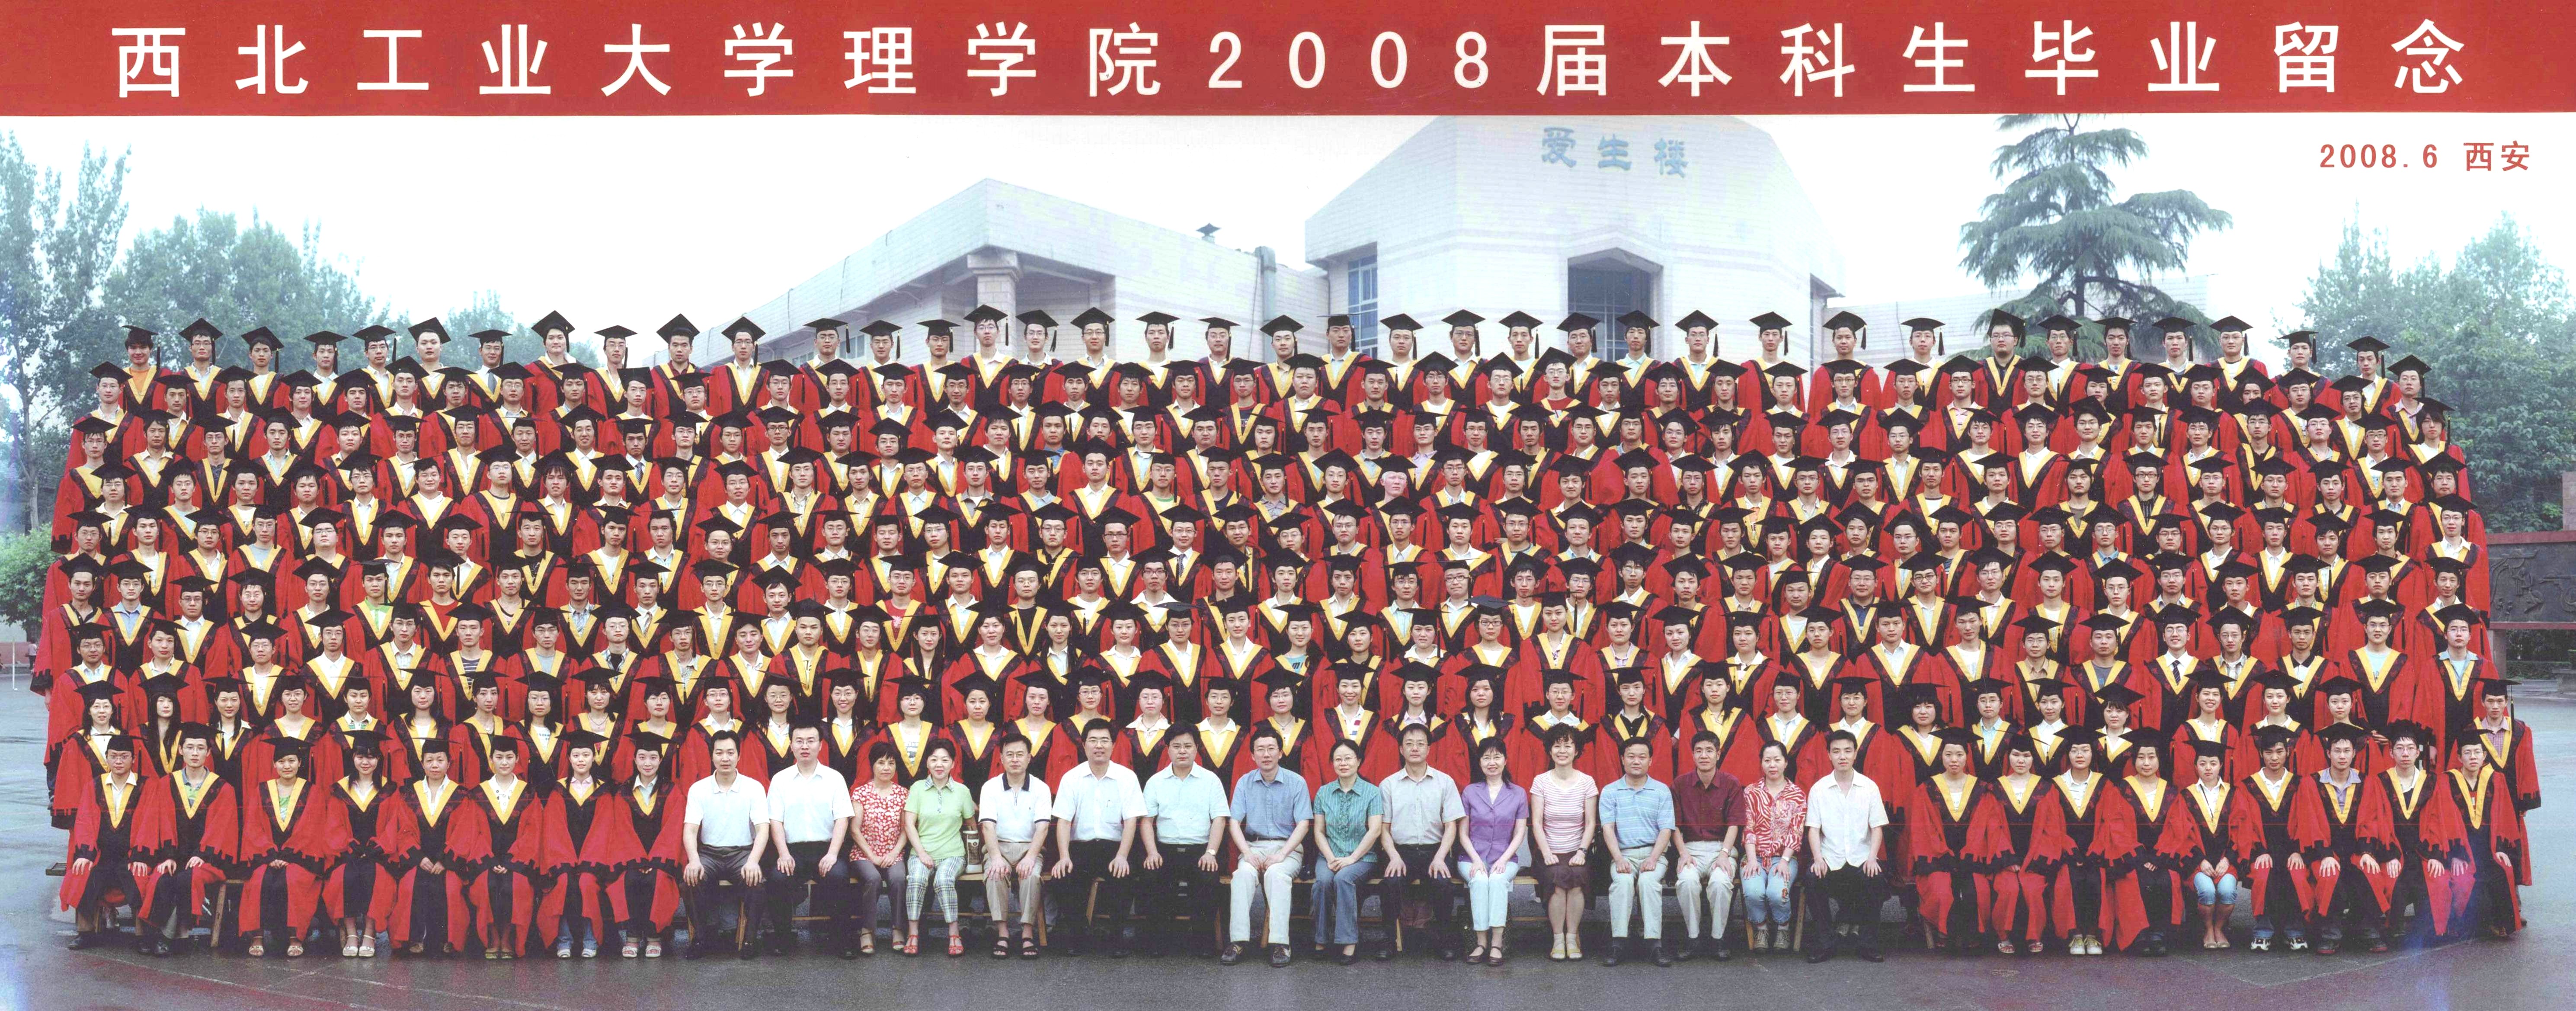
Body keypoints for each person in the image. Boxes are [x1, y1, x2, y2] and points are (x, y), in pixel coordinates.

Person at [1051, 721, 1147, 956]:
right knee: (1062, 877)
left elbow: (1131, 821)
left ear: (1113, 745)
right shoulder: (1071, 778)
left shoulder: (1127, 777)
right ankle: (1079, 934)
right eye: (1093, 741)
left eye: (1105, 741)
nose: (1099, 746)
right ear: (1084, 745)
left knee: (1123, 875)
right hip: (1080, 847)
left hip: (1115, 847)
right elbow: (1064, 821)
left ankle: (1116, 937)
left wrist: (1122, 856)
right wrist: (1064, 856)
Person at [1375, 721, 1465, 961]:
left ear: (1429, 749)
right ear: (1401, 750)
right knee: (1390, 884)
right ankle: (1389, 941)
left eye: (1420, 744)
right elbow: (1384, 829)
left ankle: (1444, 940)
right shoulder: (1388, 785)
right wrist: (1394, 856)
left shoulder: (1445, 782)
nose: (1415, 748)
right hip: (1401, 852)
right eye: (1409, 744)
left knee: (1443, 884)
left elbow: (1451, 826)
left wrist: (1440, 857)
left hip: (1435, 851)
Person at [1222, 726, 1311, 967]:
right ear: (1253, 755)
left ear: (1280, 753)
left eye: (1272, 748)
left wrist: (1282, 854)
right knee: (1242, 876)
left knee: (1276, 875)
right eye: (1260, 749)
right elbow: (1234, 823)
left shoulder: (1297, 782)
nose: (1266, 754)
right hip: (1254, 846)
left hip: (1287, 848)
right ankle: (1238, 942)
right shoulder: (1245, 783)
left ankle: (1281, 944)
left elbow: (1304, 824)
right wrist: (1247, 853)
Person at [764, 722, 854, 956]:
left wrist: (833, 854)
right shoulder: (780, 780)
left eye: (811, 741)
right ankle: (783, 937)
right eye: (800, 741)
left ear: (820, 745)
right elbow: (775, 821)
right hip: (792, 850)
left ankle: (842, 940)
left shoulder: (834, 778)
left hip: (826, 848)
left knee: (839, 876)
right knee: (777, 878)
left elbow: (842, 819)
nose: (805, 746)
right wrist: (783, 853)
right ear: (791, 745)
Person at [1140, 728, 1230, 958]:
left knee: (1208, 879)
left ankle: (1203, 941)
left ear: (1197, 749)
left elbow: (1219, 819)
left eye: (1188, 746)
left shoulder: (1210, 780)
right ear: (1168, 749)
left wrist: (1211, 852)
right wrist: (1152, 852)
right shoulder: (1156, 782)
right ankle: (1160, 940)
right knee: (1152, 876)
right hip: (1165, 849)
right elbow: (1147, 821)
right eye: (1177, 746)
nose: (1183, 751)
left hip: (1200, 849)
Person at [681, 730, 770, 960]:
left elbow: (763, 829)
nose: (725, 758)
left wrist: (753, 861)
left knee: (757, 882)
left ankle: (750, 940)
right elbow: (690, 830)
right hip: (709, 854)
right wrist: (694, 860)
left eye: (731, 753)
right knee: (691, 880)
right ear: (711, 756)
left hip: (742, 853)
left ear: (739, 756)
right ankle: (700, 939)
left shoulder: (754, 787)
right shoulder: (699, 789)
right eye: (719, 753)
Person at [1803, 729, 1888, 963]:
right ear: (1829, 755)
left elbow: (1877, 828)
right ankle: (1826, 942)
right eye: (1836, 751)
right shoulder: (1819, 789)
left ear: (1855, 754)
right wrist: (1818, 859)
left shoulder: (1869, 787)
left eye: (1848, 751)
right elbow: (1813, 829)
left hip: (1862, 858)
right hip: (1830, 858)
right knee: (1812, 878)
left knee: (1877, 878)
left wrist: (1872, 858)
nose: (1842, 756)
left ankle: (1868, 944)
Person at [1597, 736, 1677, 966]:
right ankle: (1618, 943)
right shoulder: (1611, 791)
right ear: (1622, 759)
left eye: (1642, 757)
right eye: (1631, 756)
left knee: (1649, 882)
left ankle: (1654, 944)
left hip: (1654, 854)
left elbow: (1666, 830)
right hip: (1623, 854)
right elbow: (1608, 829)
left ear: (1651, 761)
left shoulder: (1661, 791)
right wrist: (1618, 858)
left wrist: (1654, 858)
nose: (1636, 761)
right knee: (1622, 883)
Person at [1309, 737, 1386, 963]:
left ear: (1359, 761)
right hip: (1329, 855)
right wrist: (1330, 857)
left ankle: (1348, 942)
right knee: (1323, 883)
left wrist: (1352, 858)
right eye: (1338, 759)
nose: (1343, 763)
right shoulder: (1324, 793)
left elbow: (1375, 830)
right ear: (1332, 763)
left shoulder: (1372, 792)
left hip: (1363, 857)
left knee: (1343, 879)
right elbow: (1319, 831)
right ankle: (1321, 939)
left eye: (1348, 758)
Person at [976, 732, 1053, 959]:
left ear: (1029, 758)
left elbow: (1043, 828)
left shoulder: (1041, 788)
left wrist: (1030, 857)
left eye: (1020, 754)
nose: (1015, 759)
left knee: (1032, 875)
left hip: (1030, 847)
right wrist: (996, 857)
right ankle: (1003, 933)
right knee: (995, 874)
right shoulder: (990, 787)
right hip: (998, 846)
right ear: (1001, 758)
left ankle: (1027, 933)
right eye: (1009, 755)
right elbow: (988, 826)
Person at [1671, 729, 1746, 960]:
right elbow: (1674, 826)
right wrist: (1683, 854)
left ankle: (1718, 939)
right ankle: (1693, 938)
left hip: (1721, 848)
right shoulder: (1680, 784)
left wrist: (1724, 854)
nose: (1704, 756)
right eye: (1699, 751)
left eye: (1709, 751)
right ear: (1693, 755)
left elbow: (1735, 824)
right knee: (1687, 882)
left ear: (1718, 754)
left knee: (1721, 883)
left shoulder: (1731, 784)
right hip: (1690, 849)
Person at [1528, 723, 1599, 961]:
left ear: (1577, 751)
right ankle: (1558, 938)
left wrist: (1582, 851)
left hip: (1577, 850)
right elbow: (1537, 823)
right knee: (1557, 879)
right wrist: (1547, 852)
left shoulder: (1587, 782)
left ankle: (1572, 937)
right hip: (1548, 850)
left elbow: (1591, 823)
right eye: (1557, 746)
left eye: (1568, 746)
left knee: (1577, 878)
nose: (1562, 751)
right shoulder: (1541, 782)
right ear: (1550, 750)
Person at [1455, 737, 1528, 965]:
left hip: (1505, 858)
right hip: (1471, 857)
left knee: (1497, 880)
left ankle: (1497, 943)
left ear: (1506, 760)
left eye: (1497, 757)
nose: (1492, 762)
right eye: (1486, 758)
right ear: (1480, 762)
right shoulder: (1470, 792)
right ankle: (1480, 943)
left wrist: (1504, 860)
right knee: (1479, 880)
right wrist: (1476, 860)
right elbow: (1463, 834)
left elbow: (1519, 833)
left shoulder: (1518, 793)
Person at [901, 737, 973, 956]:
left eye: (945, 760)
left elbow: (971, 825)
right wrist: (922, 853)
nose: (939, 765)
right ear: (927, 763)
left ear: (953, 764)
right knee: (916, 879)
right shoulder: (917, 789)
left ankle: (954, 934)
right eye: (934, 760)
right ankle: (913, 933)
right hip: (921, 852)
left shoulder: (962, 791)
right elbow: (909, 824)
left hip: (953, 854)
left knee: (944, 880)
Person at [1739, 741, 1807, 953]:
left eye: (1777, 760)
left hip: (1784, 857)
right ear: (1761, 763)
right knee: (1753, 892)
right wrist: (1752, 860)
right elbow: (1748, 828)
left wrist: (1785, 861)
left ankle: (1783, 928)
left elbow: (1796, 832)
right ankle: (1761, 928)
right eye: (1767, 760)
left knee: (1778, 894)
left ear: (1786, 763)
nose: (1772, 765)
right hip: (1755, 855)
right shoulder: (1751, 792)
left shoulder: (1797, 794)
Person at [844, 741, 910, 956]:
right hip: (864, 854)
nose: (886, 768)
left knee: (899, 879)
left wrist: (894, 853)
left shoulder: (904, 794)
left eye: (891, 763)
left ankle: (898, 929)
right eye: (881, 763)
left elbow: (907, 829)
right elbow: (855, 830)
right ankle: (867, 931)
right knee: (872, 879)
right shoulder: (861, 793)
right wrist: (872, 855)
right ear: (872, 765)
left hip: (893, 853)